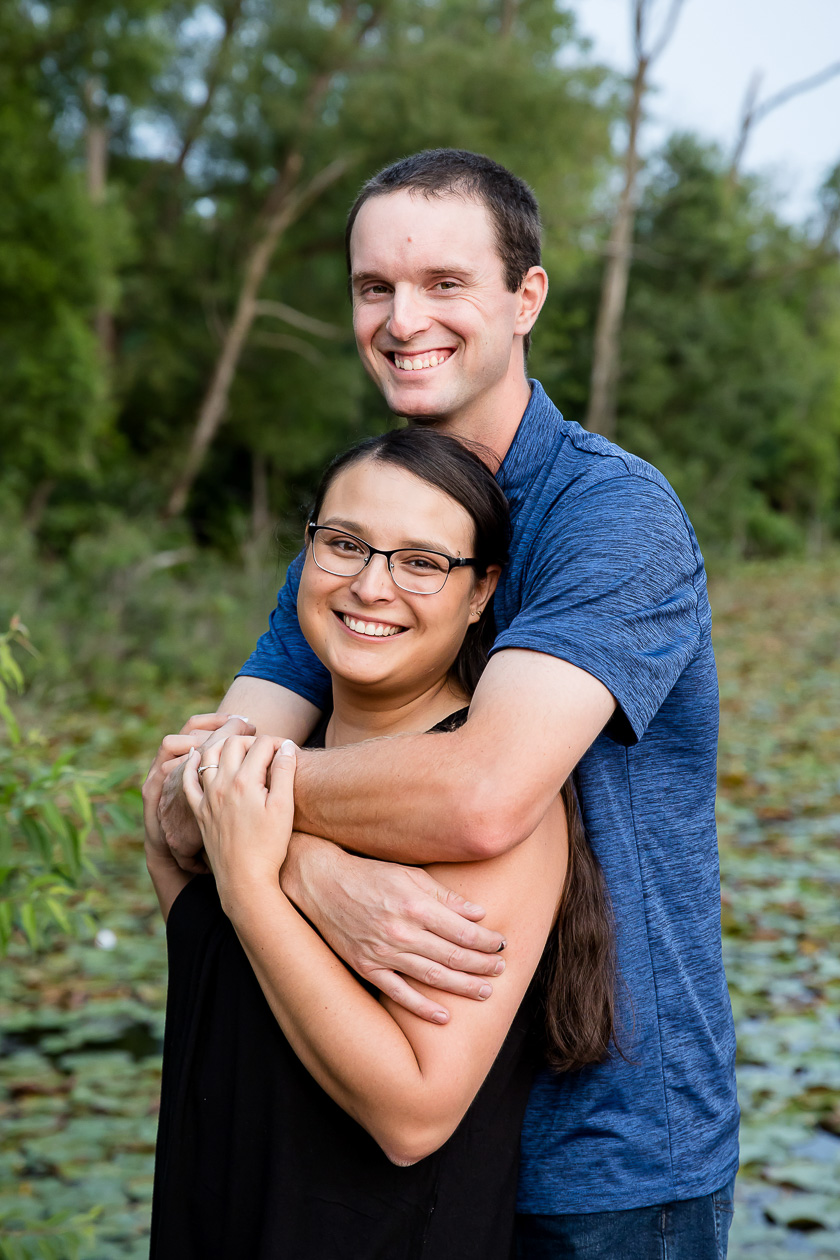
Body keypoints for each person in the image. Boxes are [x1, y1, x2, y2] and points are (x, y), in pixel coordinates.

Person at [150, 149, 739, 1257]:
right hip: (388, 1155)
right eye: (375, 287)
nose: (402, 317)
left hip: (602, 1155)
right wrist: (316, 871)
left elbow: (480, 798)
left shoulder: (612, 518)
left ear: (526, 299)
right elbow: (178, 797)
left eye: (442, 284)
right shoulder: (366, 531)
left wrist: (253, 832)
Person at [143, 428, 616, 1259]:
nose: (370, 585)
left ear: (482, 592)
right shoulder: (267, 767)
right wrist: (297, 859)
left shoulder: (491, 811)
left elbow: (413, 1116)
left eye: (423, 561)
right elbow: (171, 837)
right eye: (345, 544)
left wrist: (254, 884)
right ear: (307, 553)